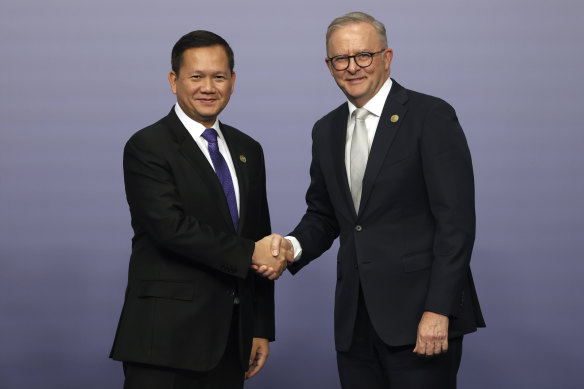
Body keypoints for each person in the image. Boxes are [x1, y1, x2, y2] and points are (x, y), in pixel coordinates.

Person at [263, 12, 485, 389]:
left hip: (421, 320)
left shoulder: (430, 116)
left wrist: (438, 310)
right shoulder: (326, 129)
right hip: (355, 324)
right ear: (328, 65)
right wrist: (290, 247)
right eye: (341, 59)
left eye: (363, 55)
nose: (352, 68)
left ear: (387, 56)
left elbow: (456, 224)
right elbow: (324, 215)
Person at [109, 30, 289, 389]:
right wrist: (250, 251)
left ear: (233, 81)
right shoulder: (148, 146)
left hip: (230, 341)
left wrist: (259, 328)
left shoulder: (247, 149)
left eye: (219, 76)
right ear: (174, 80)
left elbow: (258, 234)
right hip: (163, 344)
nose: (208, 87)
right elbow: (170, 228)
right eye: (196, 76)